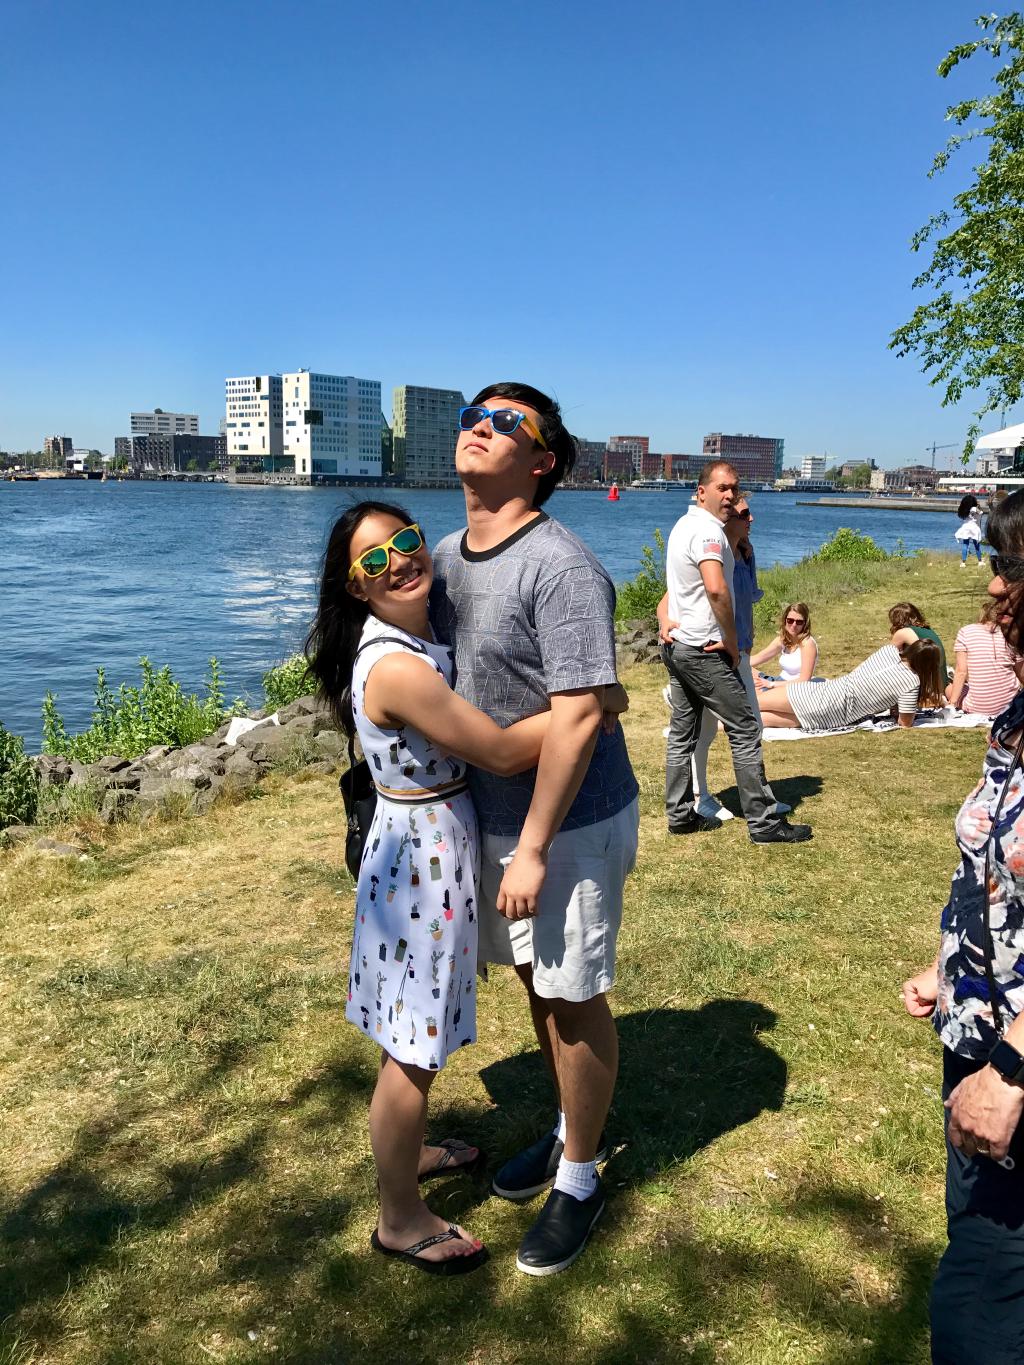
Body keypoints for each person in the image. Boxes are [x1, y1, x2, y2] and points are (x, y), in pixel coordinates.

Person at [306, 501, 626, 1277]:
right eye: (373, 562)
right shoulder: (398, 666)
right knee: (412, 1049)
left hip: (417, 846)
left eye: (406, 543)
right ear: (353, 587)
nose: (401, 563)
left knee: (412, 1029)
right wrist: (589, 704)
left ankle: (407, 1154)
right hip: (420, 860)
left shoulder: (404, 638)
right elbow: (505, 750)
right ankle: (400, 1218)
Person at [431, 383, 640, 1277]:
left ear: (543, 460)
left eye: (507, 422)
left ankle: (583, 1178)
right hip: (494, 814)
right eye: (475, 415)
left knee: (574, 987)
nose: (481, 426)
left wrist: (537, 844)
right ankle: (565, 1129)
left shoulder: (561, 564)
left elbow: (583, 715)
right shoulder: (440, 557)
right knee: (536, 978)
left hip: (571, 820)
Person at [901, 489, 1024, 1362]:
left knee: (978, 1305)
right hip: (978, 1034)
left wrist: (1013, 1067)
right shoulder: (1018, 717)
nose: (992, 587)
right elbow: (993, 863)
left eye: (1010, 566)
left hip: (1015, 1065)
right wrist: (955, 962)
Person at [660, 460, 812, 844]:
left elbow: (681, 591)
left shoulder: (683, 527)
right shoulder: (709, 534)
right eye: (722, 488)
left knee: (683, 733)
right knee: (745, 728)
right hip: (704, 650)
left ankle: (680, 815)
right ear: (701, 492)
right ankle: (763, 824)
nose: (729, 495)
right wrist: (729, 639)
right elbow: (715, 589)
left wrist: (666, 620)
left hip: (679, 648)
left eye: (734, 489)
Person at [756, 638, 945, 731]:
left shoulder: (888, 651)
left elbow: (861, 674)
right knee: (757, 720)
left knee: (751, 704)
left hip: (825, 693)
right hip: (832, 717)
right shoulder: (911, 681)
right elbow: (905, 722)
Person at [946, 605, 1024, 716]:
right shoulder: (1010, 635)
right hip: (1009, 705)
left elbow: (961, 672)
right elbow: (1021, 673)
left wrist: (952, 703)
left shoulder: (965, 632)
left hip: (976, 708)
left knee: (949, 688)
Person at [750, 602, 818, 685]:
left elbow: (804, 679)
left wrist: (772, 684)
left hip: (796, 687)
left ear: (805, 623)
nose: (794, 625)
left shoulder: (807, 644)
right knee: (748, 671)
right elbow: (758, 657)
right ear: (785, 620)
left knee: (755, 693)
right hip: (780, 681)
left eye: (799, 622)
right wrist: (736, 662)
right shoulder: (783, 640)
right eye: (790, 620)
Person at [889, 602, 949, 680]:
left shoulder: (902, 633)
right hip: (941, 678)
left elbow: (888, 657)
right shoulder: (928, 630)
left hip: (926, 680)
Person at [955, 496, 984, 567]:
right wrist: (978, 507)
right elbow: (981, 513)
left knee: (965, 544)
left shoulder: (964, 509)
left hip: (966, 526)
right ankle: (980, 561)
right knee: (976, 545)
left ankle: (963, 562)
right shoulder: (974, 508)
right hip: (974, 527)